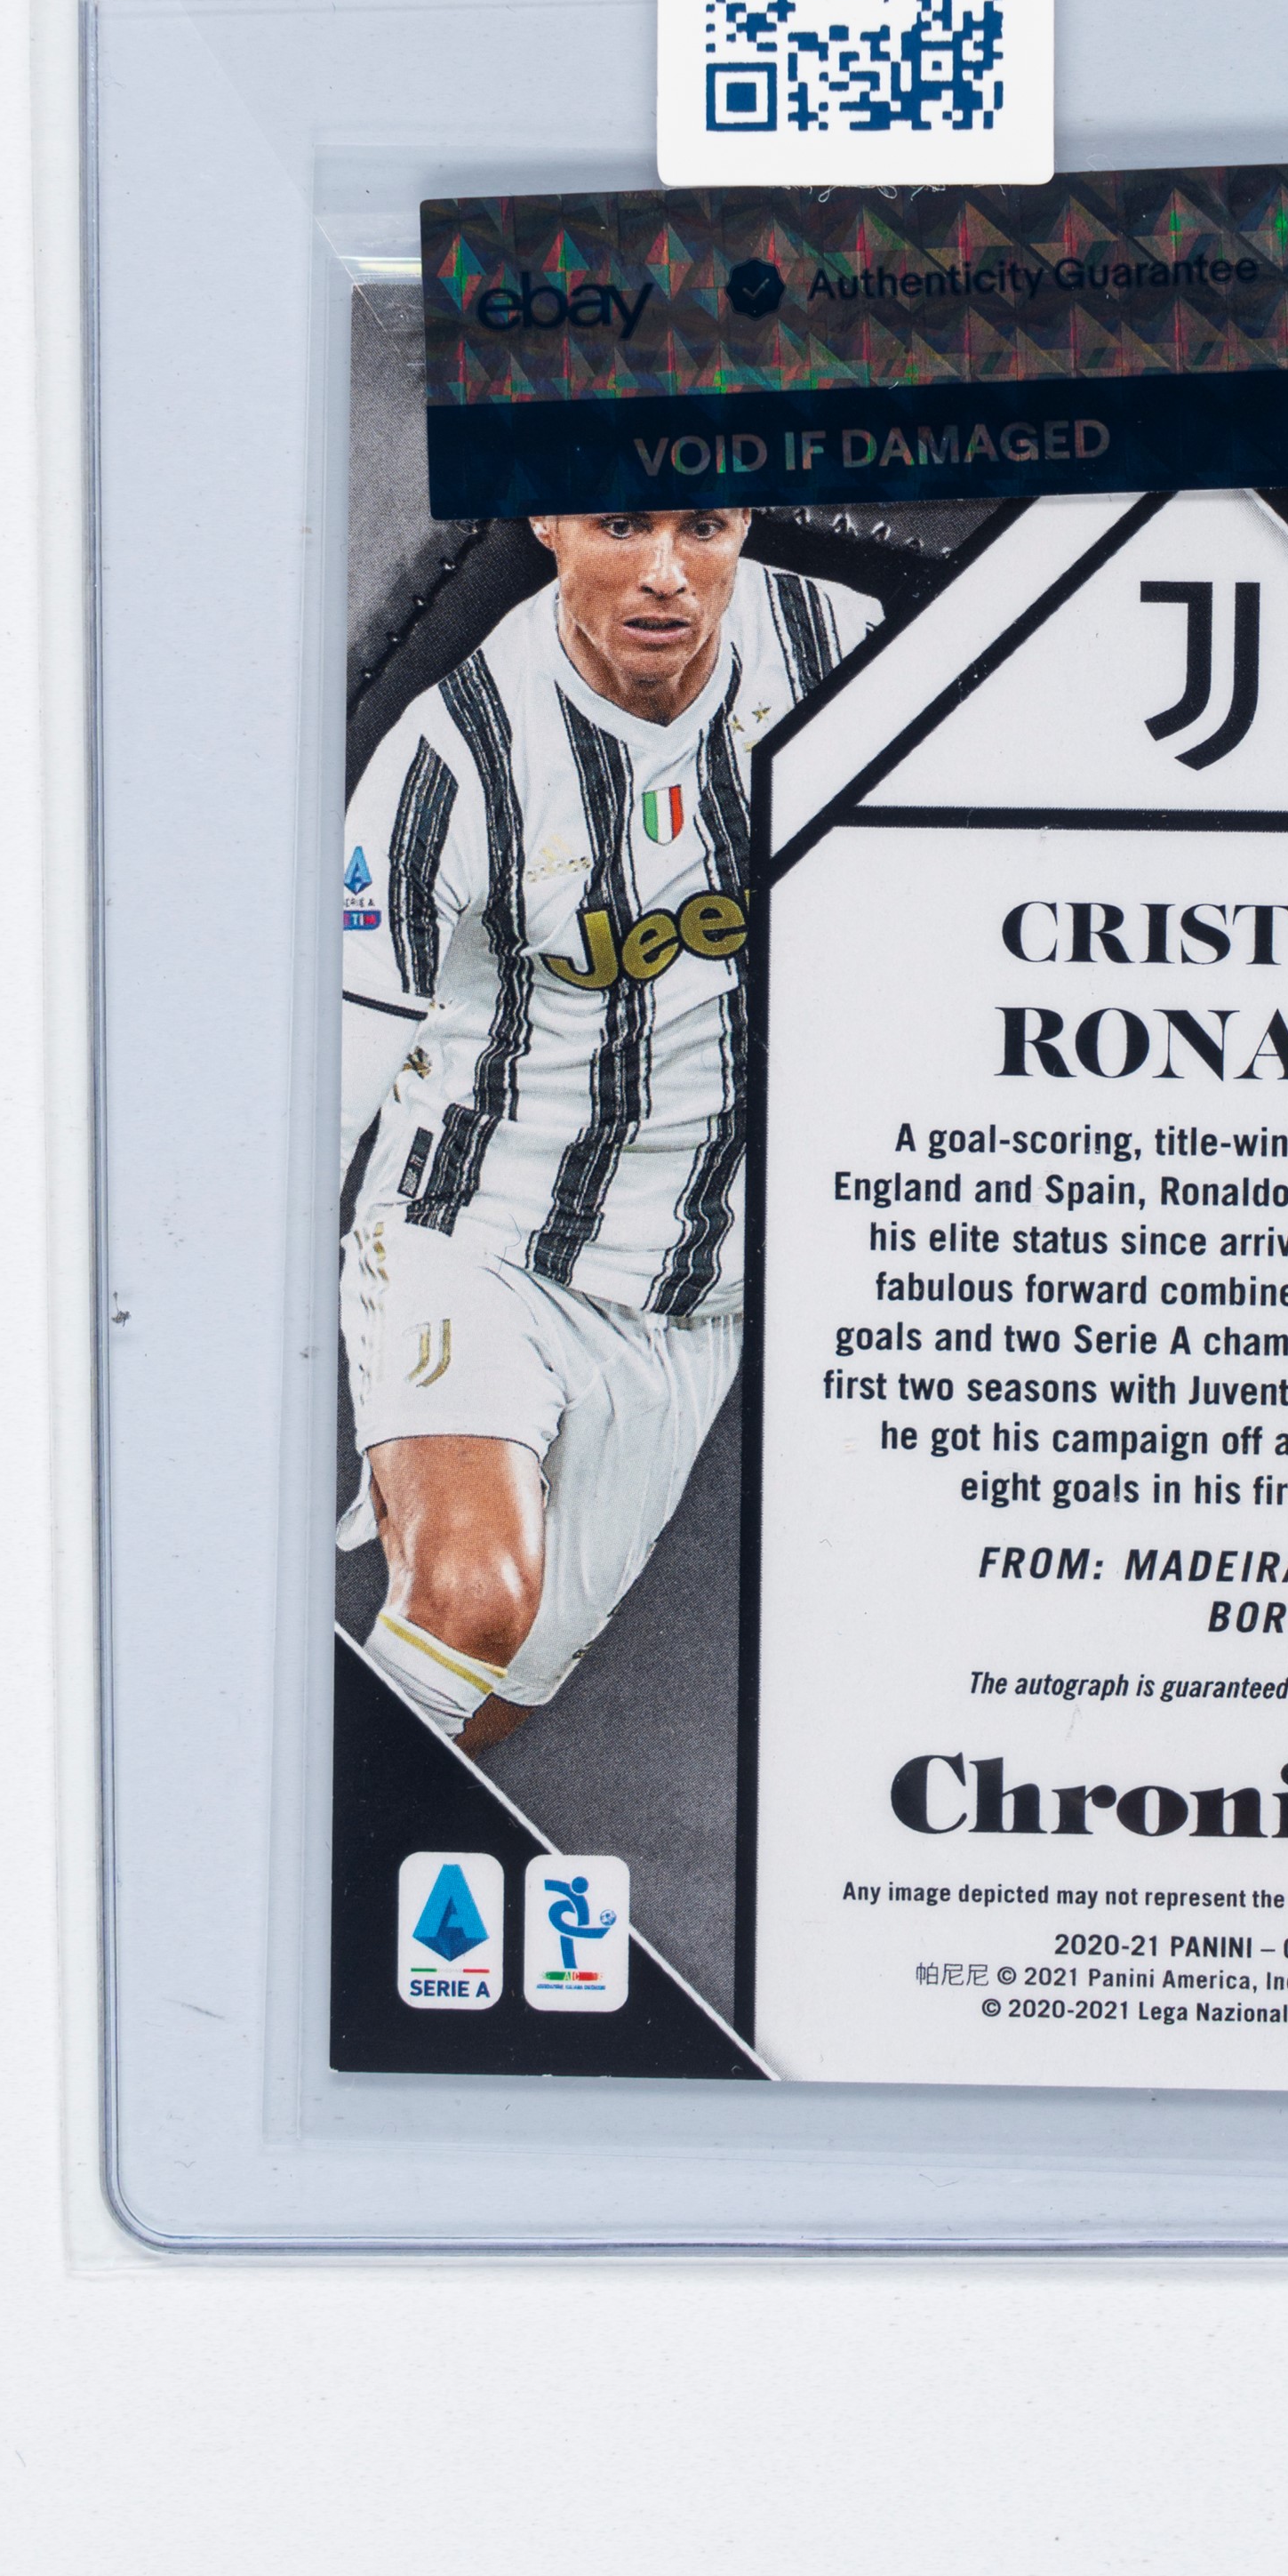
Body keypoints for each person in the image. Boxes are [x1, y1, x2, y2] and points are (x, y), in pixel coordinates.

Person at [338, 502, 878, 1753]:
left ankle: (328, 1844)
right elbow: (341, 1061)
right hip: (477, 1233)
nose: (665, 575)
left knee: (498, 1690)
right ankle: (258, 1853)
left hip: (697, 1290)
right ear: (547, 519)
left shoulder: (846, 653)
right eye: (622, 526)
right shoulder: (454, 759)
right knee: (471, 1598)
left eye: (704, 528)